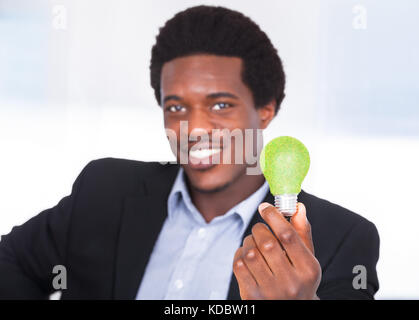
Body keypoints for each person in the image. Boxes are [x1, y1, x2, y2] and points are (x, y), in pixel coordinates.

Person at [0, 5, 379, 300]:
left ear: (266, 110)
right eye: (177, 107)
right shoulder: (105, 190)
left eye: (220, 105)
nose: (194, 129)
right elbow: (11, 263)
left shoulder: (342, 238)